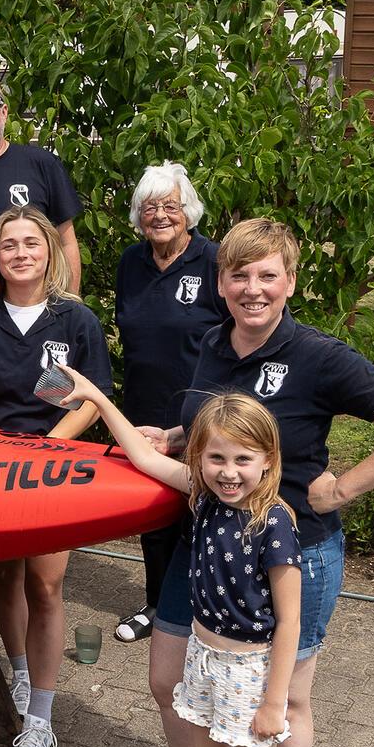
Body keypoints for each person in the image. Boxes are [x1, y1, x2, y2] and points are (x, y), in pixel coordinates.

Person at [130, 218, 374, 747]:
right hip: (209, 542)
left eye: (266, 274)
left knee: (288, 701)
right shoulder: (215, 341)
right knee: (168, 678)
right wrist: (175, 434)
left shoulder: (320, 355)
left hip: (294, 553)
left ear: (289, 280)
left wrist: (341, 488)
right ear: (220, 282)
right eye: (238, 274)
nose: (251, 287)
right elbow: (214, 422)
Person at [64, 373, 301, 747]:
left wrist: (275, 700)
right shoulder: (200, 496)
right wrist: (99, 401)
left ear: (268, 462)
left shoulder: (275, 524)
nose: (228, 471)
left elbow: (290, 623)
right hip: (201, 661)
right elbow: (143, 455)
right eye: (216, 457)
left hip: (249, 674)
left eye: (243, 459)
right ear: (199, 459)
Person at [0, 206, 111, 747]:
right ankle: (18, 670)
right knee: (6, 574)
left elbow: (91, 399)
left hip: (53, 469)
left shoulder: (75, 320)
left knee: (47, 582)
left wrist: (48, 449)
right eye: (8, 244)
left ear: (48, 251)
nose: (20, 253)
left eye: (31, 242)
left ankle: (40, 722)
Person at [113, 162, 226, 643]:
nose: (160, 215)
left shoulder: (213, 261)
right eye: (150, 207)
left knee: (208, 509)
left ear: (189, 211)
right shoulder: (130, 264)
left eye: (170, 205)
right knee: (156, 514)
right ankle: (158, 605)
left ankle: (212, 610)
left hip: (204, 411)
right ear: (139, 216)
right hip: (144, 406)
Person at [0, 74, 82, 291]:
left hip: (31, 309)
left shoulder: (41, 164)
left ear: (4, 112)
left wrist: (70, 309)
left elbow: (66, 242)